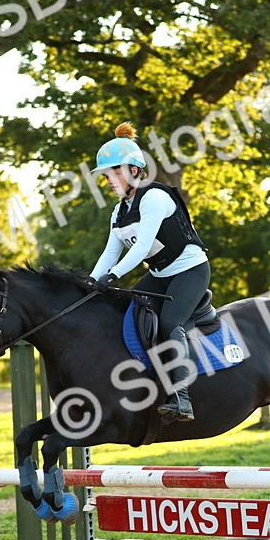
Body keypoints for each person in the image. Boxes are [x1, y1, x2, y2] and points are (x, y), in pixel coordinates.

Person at [86, 122, 210, 424]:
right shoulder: (119, 211)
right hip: (161, 272)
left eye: (115, 172)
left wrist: (113, 277)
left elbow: (140, 248)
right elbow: (110, 253)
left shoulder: (155, 197)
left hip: (189, 269)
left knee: (169, 322)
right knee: (131, 314)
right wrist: (89, 283)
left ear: (135, 170)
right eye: (106, 175)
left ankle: (182, 398)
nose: (109, 180)